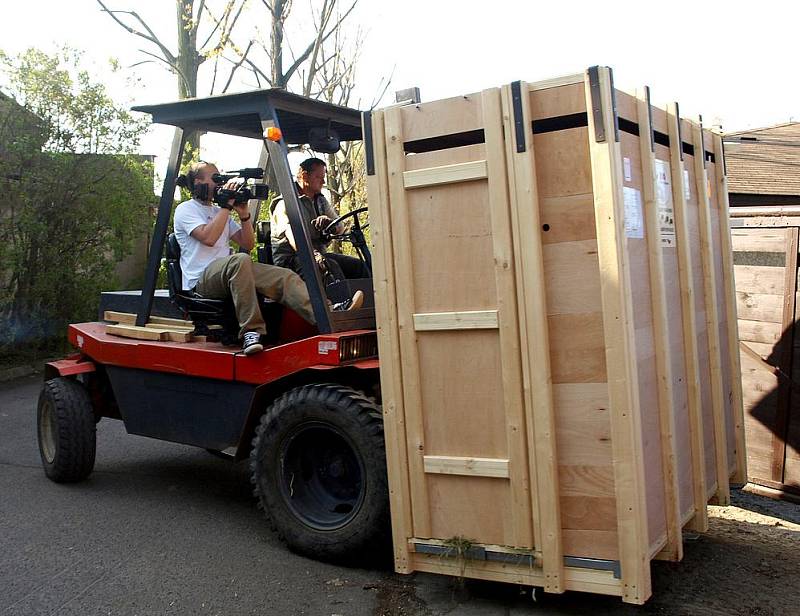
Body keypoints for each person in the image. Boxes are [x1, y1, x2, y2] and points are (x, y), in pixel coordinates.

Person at [173, 161, 363, 356]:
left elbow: (247, 243)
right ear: (198, 182)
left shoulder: (218, 211)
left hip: (232, 270)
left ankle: (329, 312)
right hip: (202, 280)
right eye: (215, 179)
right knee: (240, 260)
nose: (220, 183)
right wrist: (226, 207)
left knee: (283, 276)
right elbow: (209, 238)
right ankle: (251, 332)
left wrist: (244, 215)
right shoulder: (185, 210)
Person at [270, 157, 371, 282]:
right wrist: (314, 255)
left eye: (323, 177)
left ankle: (371, 298)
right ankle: (339, 300)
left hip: (319, 256)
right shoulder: (286, 203)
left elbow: (340, 227)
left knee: (359, 266)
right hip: (291, 260)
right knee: (329, 268)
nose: (323, 181)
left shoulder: (320, 201)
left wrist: (330, 223)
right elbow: (294, 237)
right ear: (304, 176)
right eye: (319, 177)